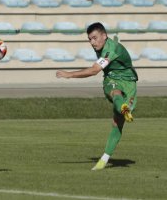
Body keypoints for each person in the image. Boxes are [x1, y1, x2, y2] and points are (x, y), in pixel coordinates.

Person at [56, 22, 137, 171]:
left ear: (104, 36)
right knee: (115, 92)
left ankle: (121, 110)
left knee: (116, 123)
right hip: (113, 79)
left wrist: (69, 75)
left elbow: (94, 70)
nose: (92, 43)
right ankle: (104, 160)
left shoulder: (110, 49)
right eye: (90, 39)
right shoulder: (104, 46)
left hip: (129, 82)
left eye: (95, 38)